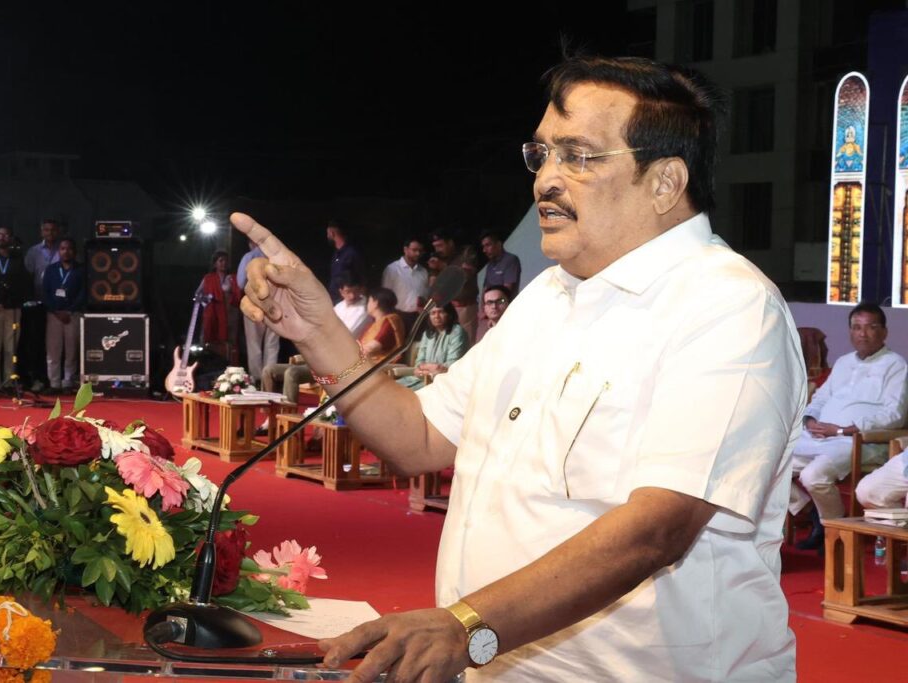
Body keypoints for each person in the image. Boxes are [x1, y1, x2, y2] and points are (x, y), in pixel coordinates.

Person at [234, 53, 804, 681]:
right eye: (543, 154)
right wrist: (318, 331)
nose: (545, 181)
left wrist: (467, 626)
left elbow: (656, 528)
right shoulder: (547, 297)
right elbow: (418, 437)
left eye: (578, 156)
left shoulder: (727, 307)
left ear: (665, 182)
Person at [791, 303, 908, 549]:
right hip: (819, 436)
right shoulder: (843, 363)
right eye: (856, 327)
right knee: (770, 464)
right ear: (850, 332)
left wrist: (842, 430)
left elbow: (895, 414)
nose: (862, 334)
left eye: (870, 327)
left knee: (813, 476)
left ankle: (836, 535)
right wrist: (810, 420)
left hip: (857, 441)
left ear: (884, 332)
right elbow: (820, 398)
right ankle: (812, 511)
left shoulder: (896, 365)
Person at [261, 275, 370, 404]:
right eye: (347, 292)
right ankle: (267, 411)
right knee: (268, 370)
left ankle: (287, 411)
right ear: (341, 291)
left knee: (292, 373)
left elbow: (346, 333)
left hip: (337, 363)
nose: (351, 296)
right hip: (319, 356)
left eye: (354, 291)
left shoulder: (364, 308)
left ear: (360, 289)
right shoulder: (339, 306)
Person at [0, 227, 30, 389]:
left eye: (5, 235)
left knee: (11, 348)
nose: (2, 237)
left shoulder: (18, 259)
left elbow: (24, 283)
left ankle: (9, 383)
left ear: (11, 238)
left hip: (13, 308)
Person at [22, 219, 63, 392]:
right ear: (41, 232)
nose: (50, 233)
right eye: (46, 230)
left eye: (53, 230)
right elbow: (27, 276)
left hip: (58, 303)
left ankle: (57, 379)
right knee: (37, 342)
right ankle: (37, 378)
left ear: (57, 232)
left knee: (56, 345)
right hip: (38, 303)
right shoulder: (34, 251)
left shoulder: (63, 249)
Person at [42, 237, 85, 393]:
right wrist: (56, 311)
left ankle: (68, 382)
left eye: (69, 249)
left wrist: (70, 310)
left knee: (71, 350)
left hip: (73, 314)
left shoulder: (81, 270)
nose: (66, 252)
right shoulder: (51, 269)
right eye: (63, 249)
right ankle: (54, 383)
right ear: (58, 251)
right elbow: (45, 292)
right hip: (54, 315)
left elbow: (83, 293)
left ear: (75, 251)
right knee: (53, 350)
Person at [396, 303, 468, 391]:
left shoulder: (457, 332)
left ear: (449, 314)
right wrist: (423, 369)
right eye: (433, 313)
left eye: (441, 312)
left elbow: (452, 363)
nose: (436, 316)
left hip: (443, 381)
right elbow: (420, 361)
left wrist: (431, 368)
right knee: (392, 389)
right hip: (422, 377)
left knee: (404, 393)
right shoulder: (427, 334)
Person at [238, 238, 279, 382]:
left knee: (254, 344)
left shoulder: (249, 257)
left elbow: (240, 282)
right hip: (274, 303)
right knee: (272, 344)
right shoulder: (274, 258)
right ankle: (270, 379)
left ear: (251, 243)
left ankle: (256, 380)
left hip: (254, 303)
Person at [431, 229, 479, 341]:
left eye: (440, 246)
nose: (437, 250)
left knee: (467, 343)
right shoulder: (438, 258)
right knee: (448, 344)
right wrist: (433, 271)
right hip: (446, 310)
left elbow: (465, 276)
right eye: (435, 247)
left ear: (450, 243)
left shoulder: (466, 252)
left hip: (465, 308)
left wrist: (443, 267)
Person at [199, 250, 241, 360]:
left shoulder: (233, 278)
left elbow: (238, 295)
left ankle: (230, 364)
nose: (224, 263)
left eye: (226, 261)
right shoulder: (208, 278)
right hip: (213, 314)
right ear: (215, 264)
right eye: (221, 261)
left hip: (230, 314)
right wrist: (209, 300)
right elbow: (198, 295)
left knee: (230, 342)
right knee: (212, 341)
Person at [381, 237, 428, 332]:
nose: (418, 253)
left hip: (418, 316)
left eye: (420, 251)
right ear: (405, 249)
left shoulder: (423, 271)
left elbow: (425, 294)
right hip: (398, 315)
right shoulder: (392, 269)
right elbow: (385, 295)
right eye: (414, 250)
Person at [358, 287, 405, 363]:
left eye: (369, 301)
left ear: (376, 303)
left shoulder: (391, 320)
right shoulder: (373, 324)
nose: (367, 304)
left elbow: (373, 347)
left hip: (380, 366)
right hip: (366, 362)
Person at [326, 220, 365, 303]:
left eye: (328, 233)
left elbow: (361, 276)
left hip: (348, 299)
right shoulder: (336, 253)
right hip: (335, 299)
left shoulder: (351, 253)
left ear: (332, 233)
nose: (327, 236)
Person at [479, 231, 521, 296]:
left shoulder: (510, 260)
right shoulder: (489, 266)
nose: (484, 250)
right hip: (491, 301)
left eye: (488, 245)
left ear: (499, 244)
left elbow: (506, 291)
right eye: (483, 247)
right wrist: (483, 302)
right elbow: (485, 290)